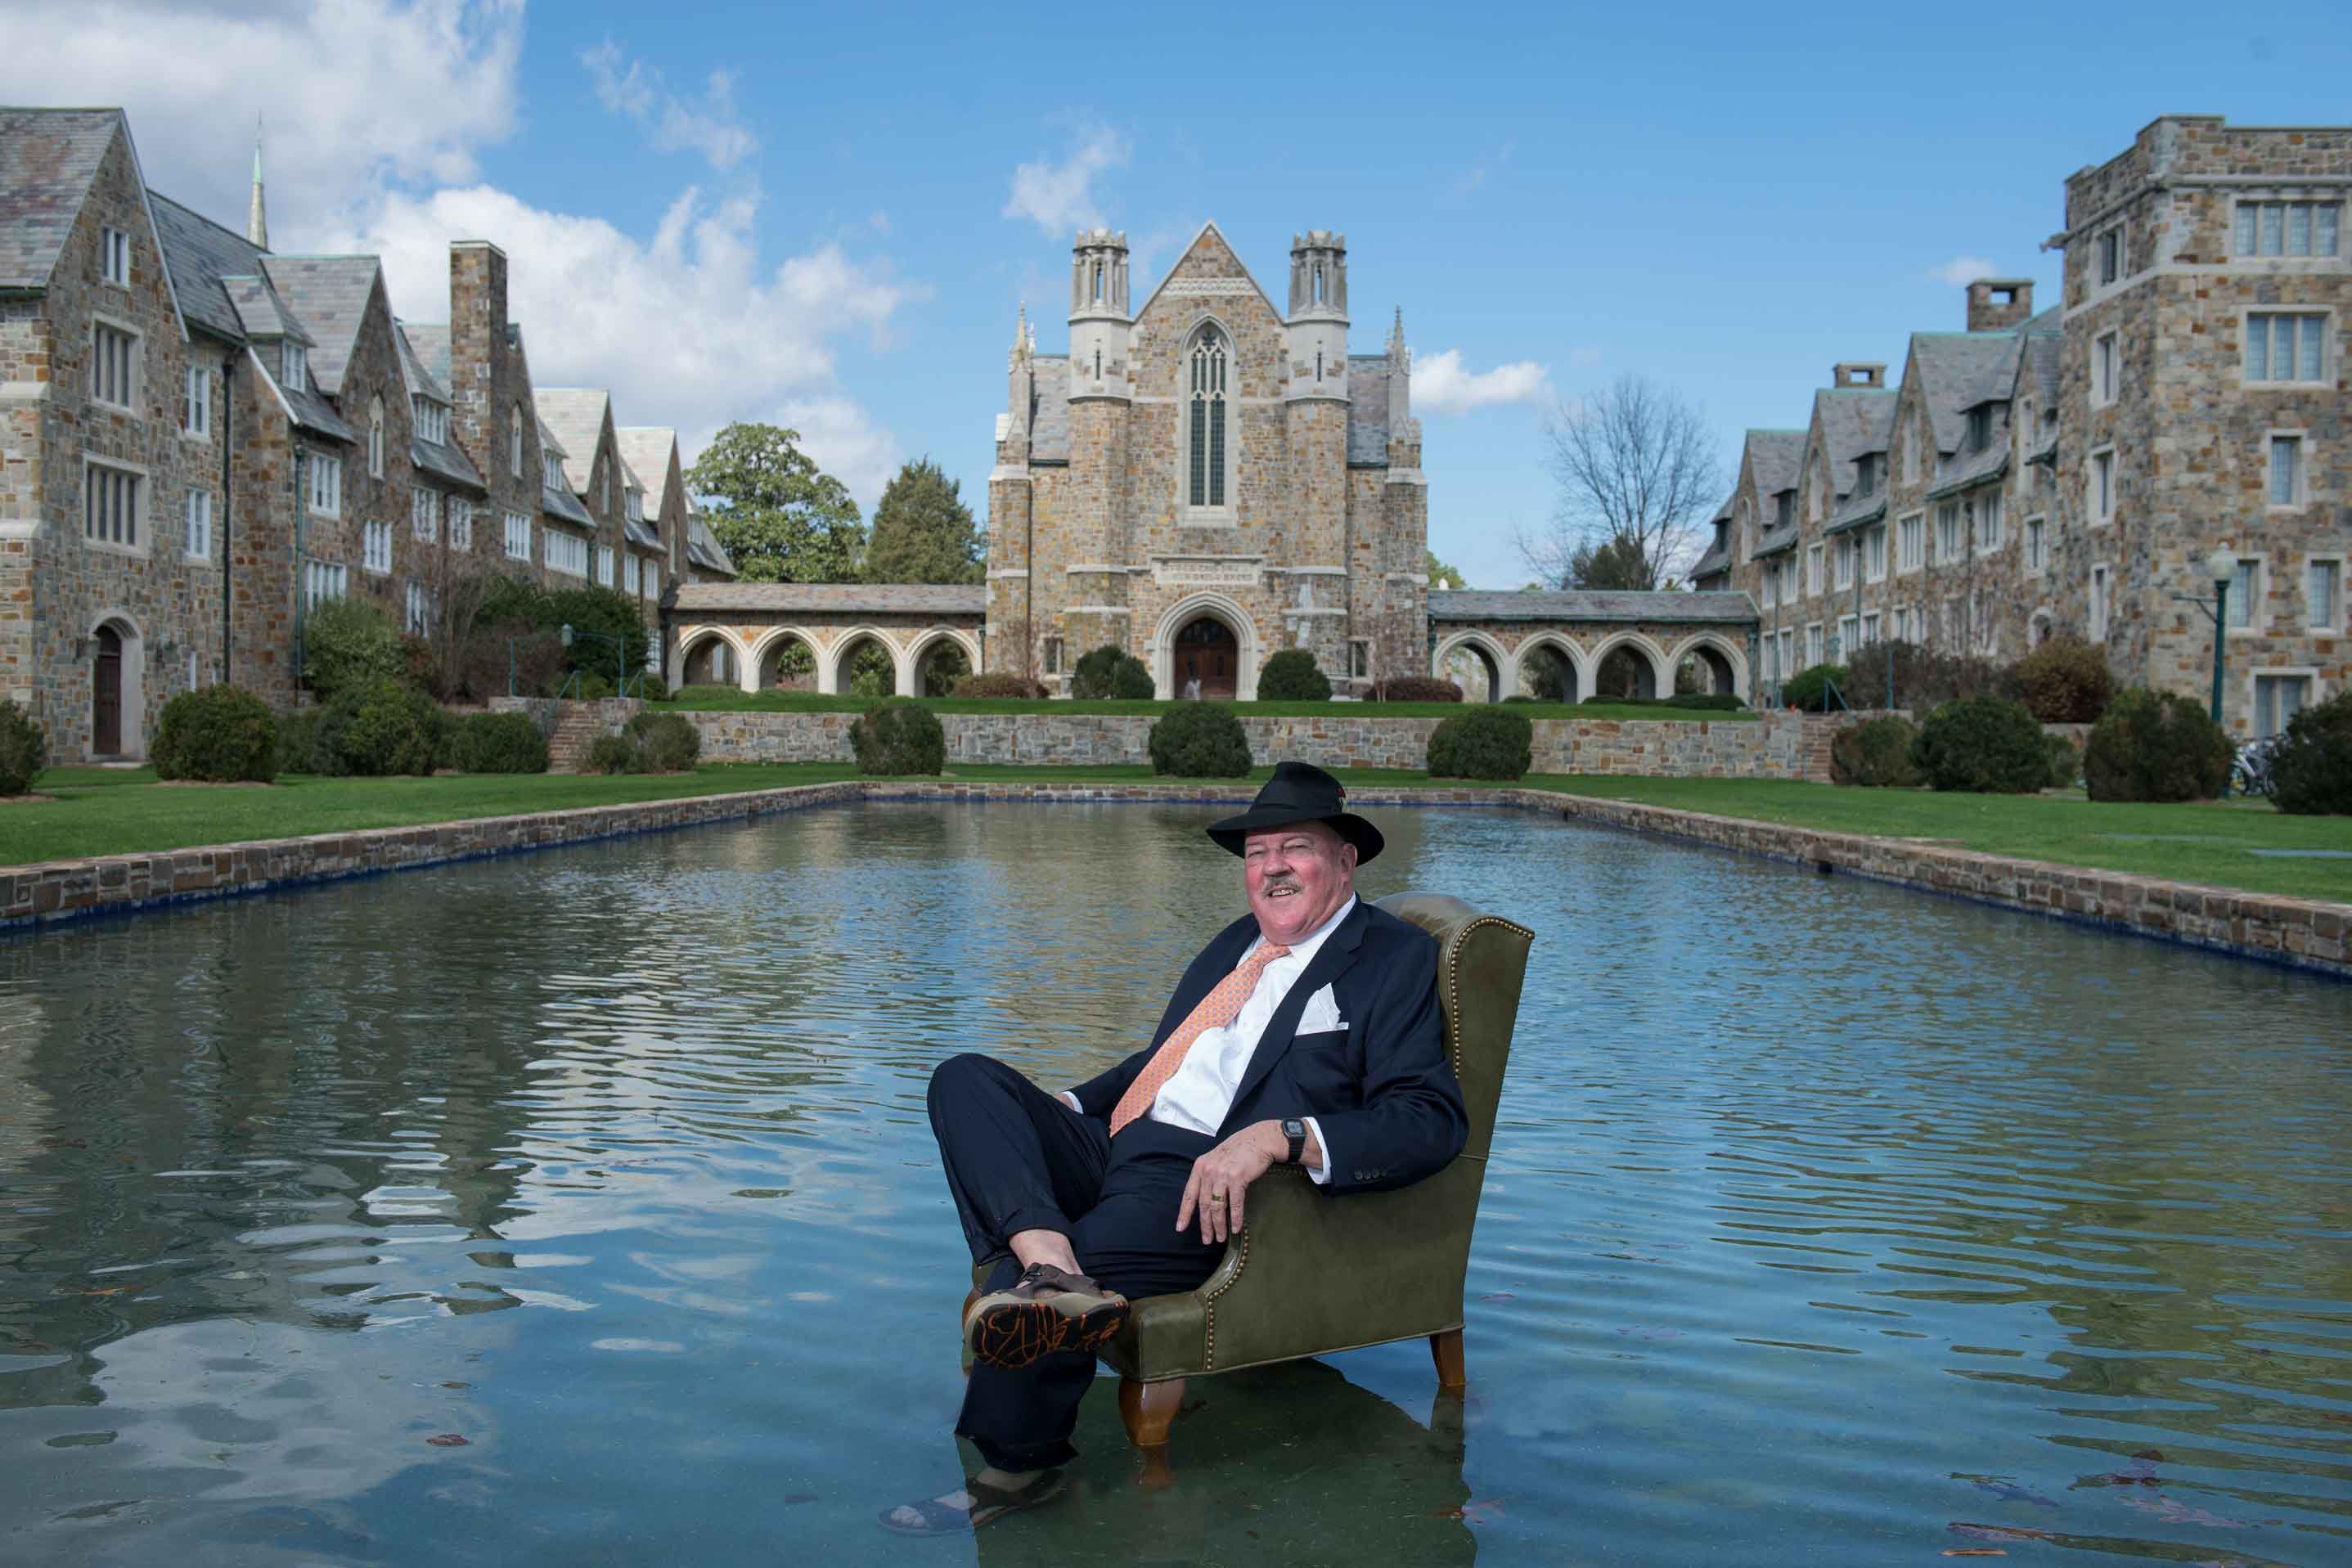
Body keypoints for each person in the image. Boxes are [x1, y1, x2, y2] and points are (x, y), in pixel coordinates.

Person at [883, 761, 1467, 1534]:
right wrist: (1062, 1107)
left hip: (1199, 1181)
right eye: (1257, 853)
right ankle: (1051, 1265)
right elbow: (1169, 1055)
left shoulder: (1390, 957)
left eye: (1295, 847)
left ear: (1344, 858)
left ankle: (1017, 1466)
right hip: (1118, 1136)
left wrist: (1280, 1136)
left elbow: (1429, 1118)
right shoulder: (1236, 942)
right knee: (965, 1081)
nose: (1272, 867)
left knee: (1025, 1260)